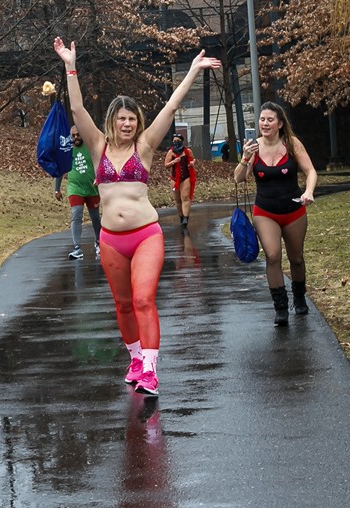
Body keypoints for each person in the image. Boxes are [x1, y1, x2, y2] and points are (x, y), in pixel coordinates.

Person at [54, 37, 221, 396]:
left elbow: (172, 106)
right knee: (124, 304)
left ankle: (150, 369)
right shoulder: (97, 146)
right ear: (112, 122)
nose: (128, 124)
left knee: (144, 299)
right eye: (122, 119)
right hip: (111, 240)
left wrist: (193, 70)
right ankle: (134, 359)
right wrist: (70, 65)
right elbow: (78, 109)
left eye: (132, 119)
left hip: (146, 235)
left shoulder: (144, 147)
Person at [234, 101, 317, 327]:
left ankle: (299, 297)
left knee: (296, 258)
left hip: (294, 210)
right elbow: (238, 178)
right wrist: (245, 158)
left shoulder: (291, 143)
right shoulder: (253, 147)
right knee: (272, 256)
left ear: (279, 124)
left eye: (270, 120)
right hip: (265, 211)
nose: (265, 123)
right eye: (262, 119)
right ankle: (280, 308)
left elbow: (310, 171)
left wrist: (309, 191)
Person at [54, 125, 101, 259]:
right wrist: (57, 189)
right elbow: (60, 170)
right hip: (75, 188)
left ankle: (98, 242)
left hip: (92, 188)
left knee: (95, 217)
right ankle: (77, 248)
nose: (76, 138)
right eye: (73, 136)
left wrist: (99, 177)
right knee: (76, 215)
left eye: (78, 135)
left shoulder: (91, 147)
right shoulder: (67, 150)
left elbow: (100, 163)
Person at [164, 133, 197, 227]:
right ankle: (181, 216)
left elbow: (193, 160)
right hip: (174, 178)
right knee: (178, 200)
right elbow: (166, 165)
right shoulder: (171, 152)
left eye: (178, 141)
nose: (176, 142)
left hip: (186, 177)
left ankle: (186, 218)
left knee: (185, 197)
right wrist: (173, 162)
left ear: (182, 141)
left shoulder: (187, 151)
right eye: (174, 141)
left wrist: (192, 163)